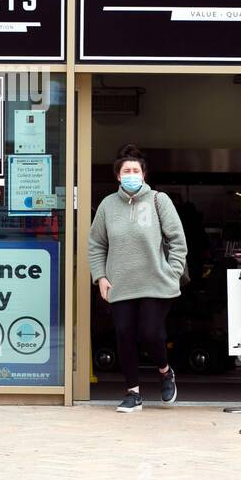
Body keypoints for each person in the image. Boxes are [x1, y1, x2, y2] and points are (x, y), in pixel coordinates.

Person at [88, 144, 187, 412]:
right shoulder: (108, 206)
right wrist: (100, 277)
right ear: (118, 176)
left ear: (143, 174)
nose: (131, 174)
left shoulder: (159, 200)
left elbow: (178, 241)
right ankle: (133, 392)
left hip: (155, 282)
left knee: (151, 332)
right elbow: (96, 244)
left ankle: (165, 372)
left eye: (136, 170)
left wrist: (173, 270)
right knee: (123, 334)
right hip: (120, 283)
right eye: (126, 170)